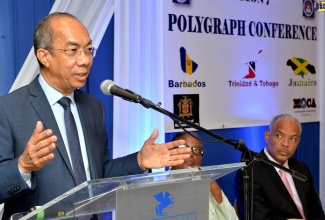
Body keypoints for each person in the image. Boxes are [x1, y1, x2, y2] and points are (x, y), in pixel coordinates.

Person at [0, 12, 191, 219]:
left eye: (89, 50)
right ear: (44, 56)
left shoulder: (93, 107)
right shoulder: (8, 109)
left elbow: (98, 175)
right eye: (73, 51)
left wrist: (139, 161)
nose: (85, 60)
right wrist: (23, 166)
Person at [234, 114, 325, 220]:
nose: (286, 144)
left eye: (292, 139)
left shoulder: (301, 168)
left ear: (298, 142)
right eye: (279, 136)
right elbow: (259, 217)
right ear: (267, 136)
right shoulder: (250, 173)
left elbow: (316, 211)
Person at [170, 132, 238, 220]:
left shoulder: (208, 185)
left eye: (197, 150)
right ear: (171, 153)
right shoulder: (159, 188)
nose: (191, 154)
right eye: (184, 148)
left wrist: (215, 189)